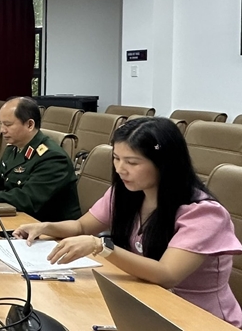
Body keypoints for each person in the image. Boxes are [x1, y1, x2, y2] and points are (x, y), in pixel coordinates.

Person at [13, 117, 242, 327]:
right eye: (116, 158)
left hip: (200, 318)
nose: (120, 169)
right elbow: (82, 226)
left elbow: (166, 274)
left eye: (132, 162)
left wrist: (100, 247)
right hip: (144, 303)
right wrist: (46, 227)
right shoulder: (126, 193)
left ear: (164, 163)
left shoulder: (204, 214)